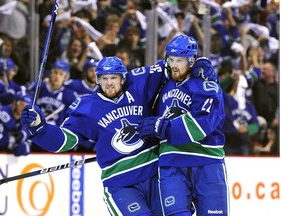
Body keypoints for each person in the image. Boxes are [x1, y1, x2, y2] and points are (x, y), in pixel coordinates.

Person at [20, 53, 217, 215]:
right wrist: (41, 129)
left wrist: (199, 62)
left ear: (123, 79)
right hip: (121, 184)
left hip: (155, 175)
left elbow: (172, 65)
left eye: (114, 78)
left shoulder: (139, 85)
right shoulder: (87, 107)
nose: (109, 84)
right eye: (104, 79)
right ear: (97, 80)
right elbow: (65, 140)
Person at [137, 34, 229, 215]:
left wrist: (163, 128)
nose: (174, 65)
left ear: (192, 61)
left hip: (207, 162)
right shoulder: (162, 84)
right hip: (172, 162)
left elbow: (201, 124)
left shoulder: (206, 85)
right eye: (171, 59)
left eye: (179, 60)